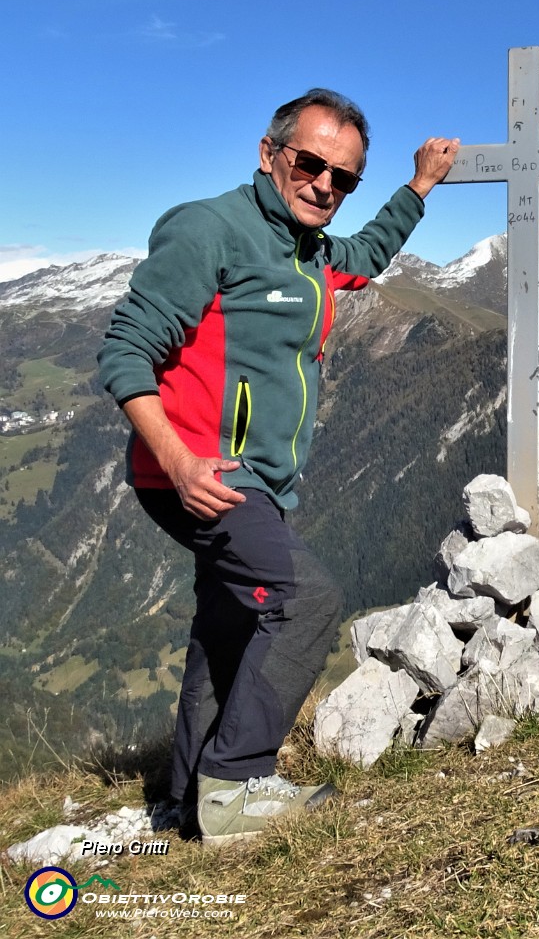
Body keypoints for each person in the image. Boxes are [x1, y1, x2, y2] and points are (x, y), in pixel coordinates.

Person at [98, 88, 460, 845]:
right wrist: (179, 460)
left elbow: (365, 256)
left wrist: (418, 187)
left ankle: (191, 792)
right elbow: (126, 348)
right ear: (270, 155)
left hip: (258, 481)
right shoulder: (209, 229)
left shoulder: (315, 252)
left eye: (344, 178)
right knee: (305, 601)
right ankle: (236, 788)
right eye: (311, 163)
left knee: (228, 623)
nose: (326, 183)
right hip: (202, 475)